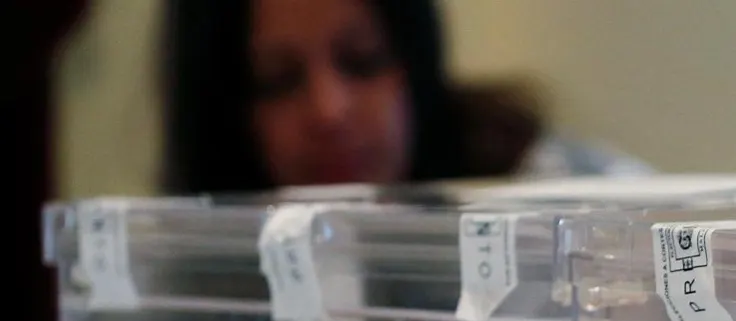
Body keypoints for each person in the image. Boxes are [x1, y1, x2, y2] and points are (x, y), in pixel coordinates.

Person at [162, 0, 645, 194]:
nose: (329, 110)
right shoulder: (172, 271)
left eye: (362, 60)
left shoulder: (547, 184)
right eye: (277, 80)